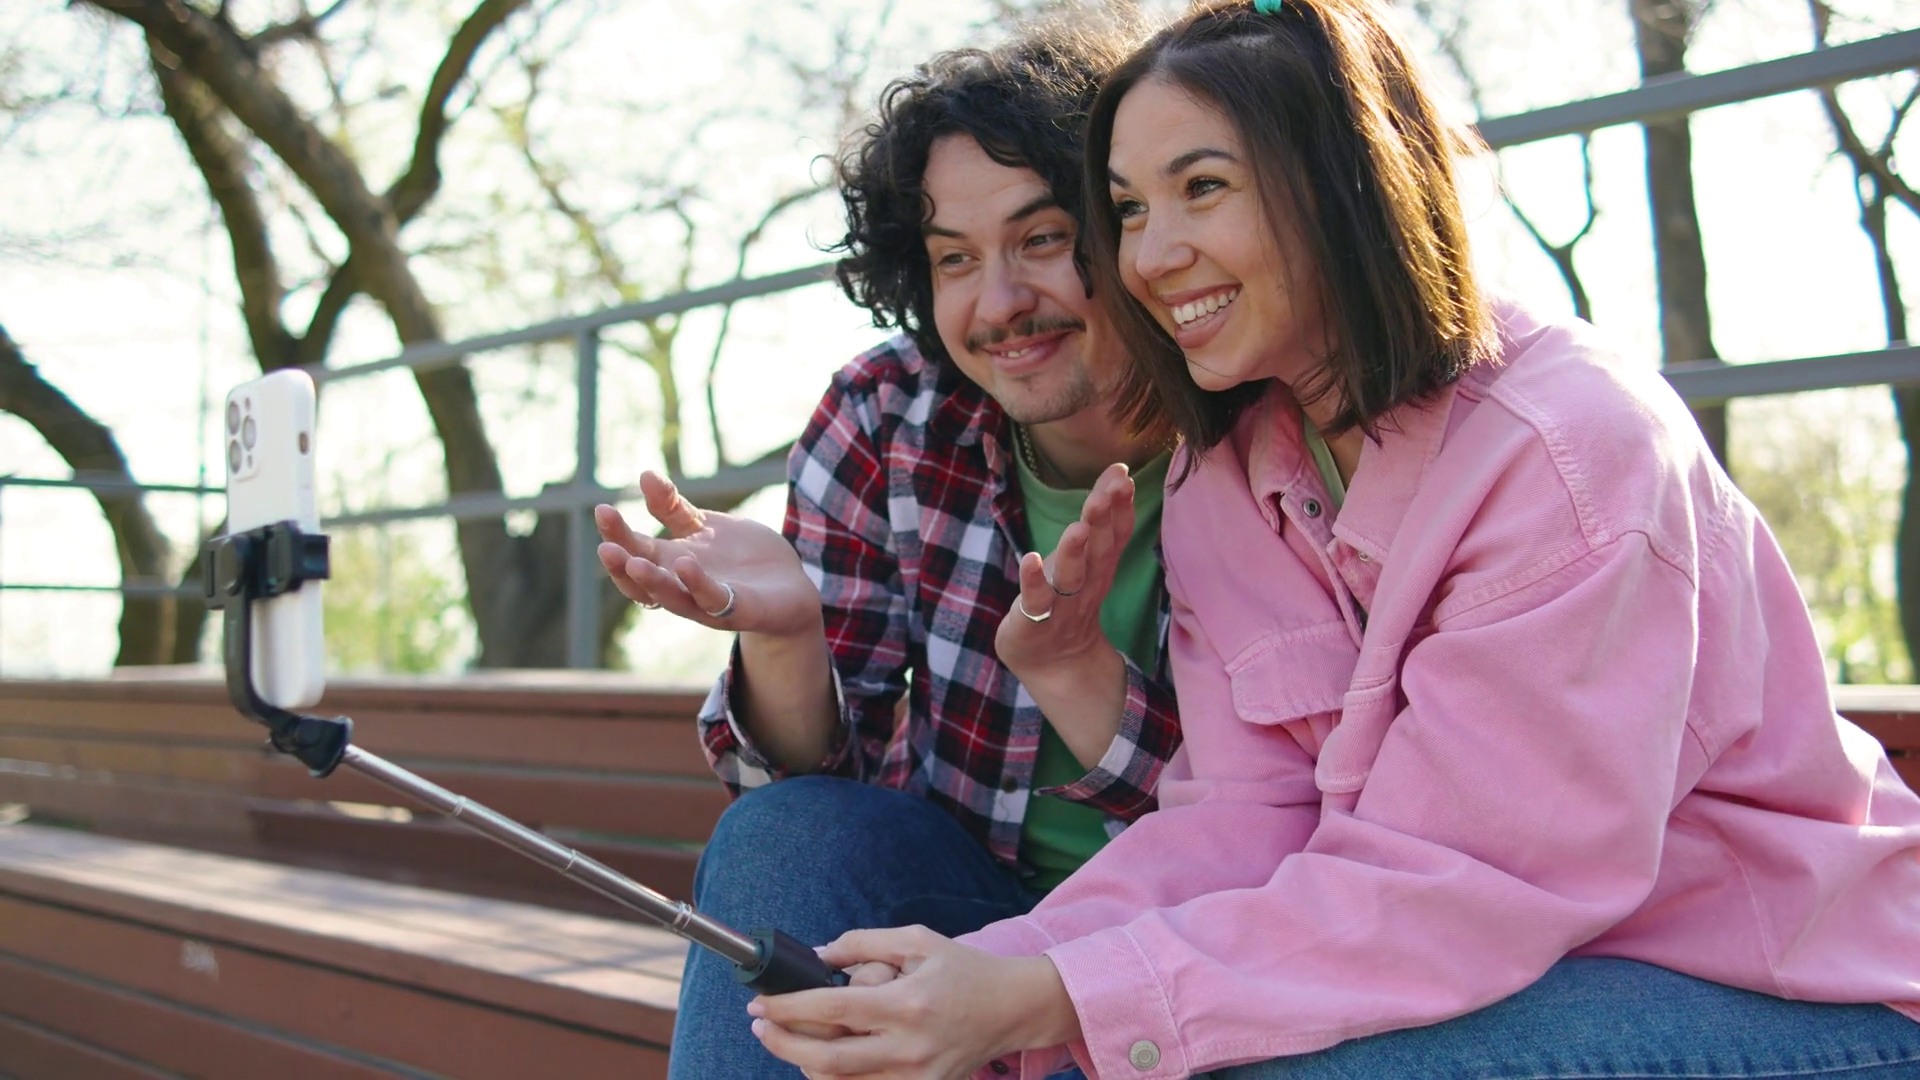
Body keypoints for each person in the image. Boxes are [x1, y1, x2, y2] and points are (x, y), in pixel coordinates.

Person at [747, 2, 1920, 1078]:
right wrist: (993, 976)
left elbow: (1462, 891)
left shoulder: (1571, 454)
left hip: (1788, 988)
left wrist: (1052, 999)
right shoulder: (1231, 469)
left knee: (1275, 1060)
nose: (1150, 256)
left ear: (1344, 180)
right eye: (1131, 209)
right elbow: (1239, 825)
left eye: (1202, 188)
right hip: (1507, 970)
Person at [591, 19, 1177, 1080]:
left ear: (1131, 222)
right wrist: (785, 637)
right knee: (784, 837)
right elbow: (807, 785)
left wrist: (1082, 675)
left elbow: (1256, 818)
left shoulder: (1253, 431)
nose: (999, 304)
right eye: (955, 259)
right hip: (967, 896)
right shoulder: (888, 412)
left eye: (1044, 238)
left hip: (1189, 930)